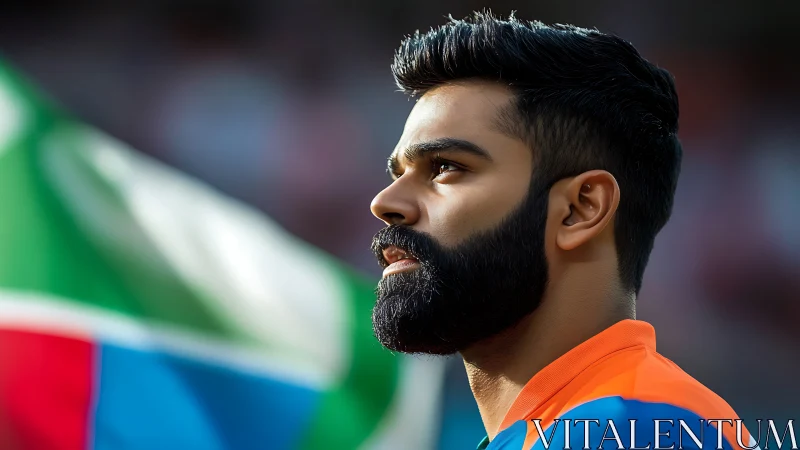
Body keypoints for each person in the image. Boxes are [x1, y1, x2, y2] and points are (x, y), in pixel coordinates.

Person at [369, 12, 756, 450]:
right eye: (397, 172)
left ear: (580, 208)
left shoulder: (633, 429)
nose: (384, 202)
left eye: (445, 168)